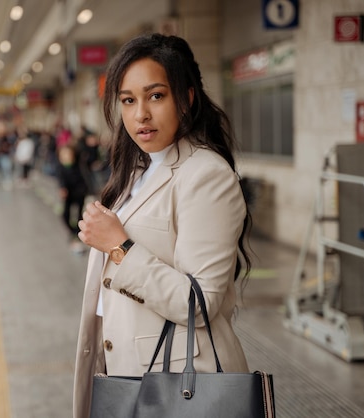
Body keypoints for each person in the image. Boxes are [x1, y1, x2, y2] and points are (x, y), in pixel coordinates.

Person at [72, 33, 252, 418]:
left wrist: (119, 247)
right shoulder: (137, 172)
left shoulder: (205, 175)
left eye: (156, 96)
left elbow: (200, 302)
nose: (141, 115)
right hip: (130, 378)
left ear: (186, 98)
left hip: (183, 388)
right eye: (128, 100)